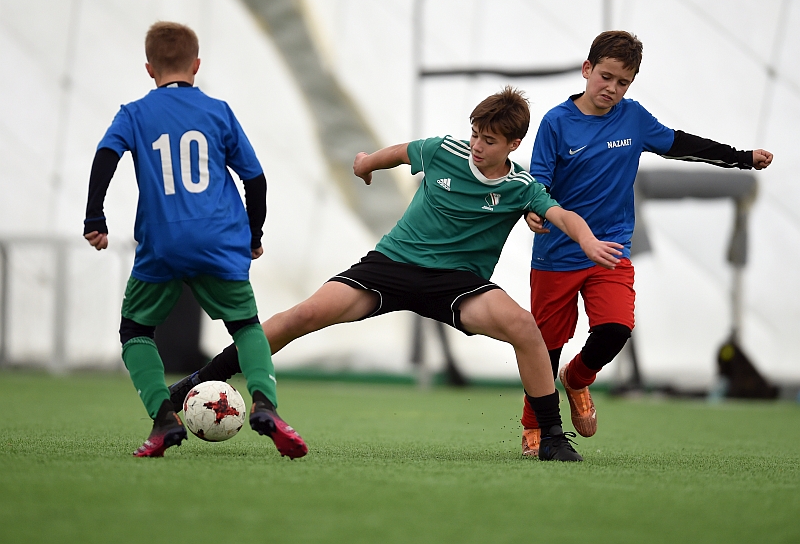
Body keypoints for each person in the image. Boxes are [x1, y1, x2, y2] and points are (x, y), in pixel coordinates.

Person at [168, 86, 624, 462]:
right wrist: (366, 163)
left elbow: (562, 216)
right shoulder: (446, 150)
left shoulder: (520, 186)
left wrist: (586, 242)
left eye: (489, 140)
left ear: (513, 145)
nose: (478, 146)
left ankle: (551, 437)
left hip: (457, 284)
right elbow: (401, 153)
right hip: (391, 266)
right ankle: (202, 378)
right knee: (303, 315)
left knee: (526, 328)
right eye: (476, 134)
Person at [519, 30, 774, 457]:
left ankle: (578, 378)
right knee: (545, 349)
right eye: (606, 77)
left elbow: (681, 145)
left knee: (616, 329)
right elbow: (538, 184)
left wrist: (742, 156)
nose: (612, 89)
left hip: (612, 250)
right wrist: (532, 212)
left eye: (623, 83)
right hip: (557, 256)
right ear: (587, 70)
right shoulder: (556, 122)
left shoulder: (633, 118)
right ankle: (536, 427)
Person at [82, 21, 307, 459]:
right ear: (197, 65)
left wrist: (96, 216)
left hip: (162, 242)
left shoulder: (133, 113)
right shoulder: (218, 111)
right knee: (244, 326)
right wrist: (253, 234)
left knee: (136, 330)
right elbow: (255, 179)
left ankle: (163, 418)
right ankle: (266, 405)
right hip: (219, 240)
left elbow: (105, 155)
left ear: (149, 69)